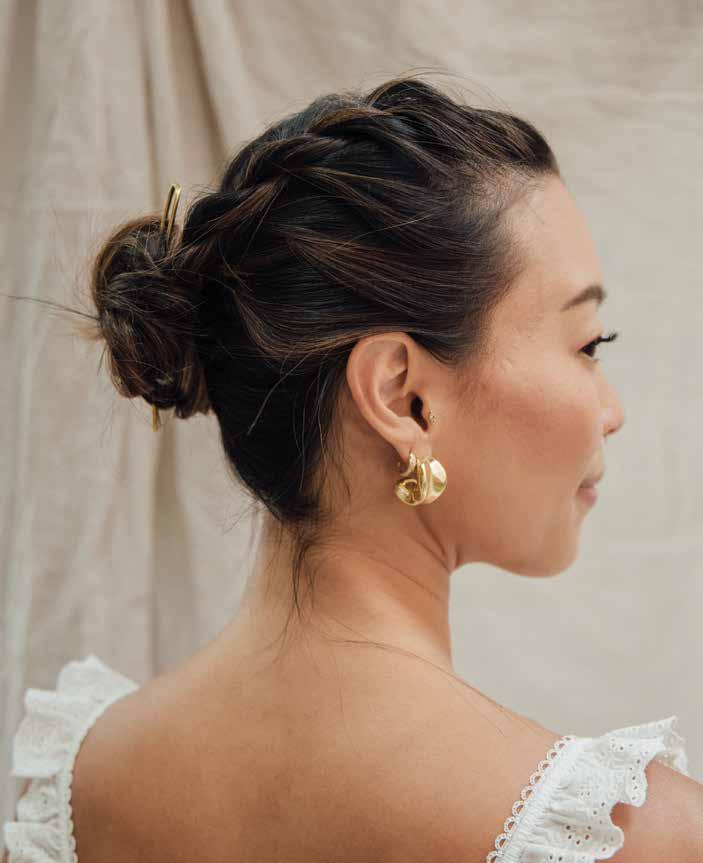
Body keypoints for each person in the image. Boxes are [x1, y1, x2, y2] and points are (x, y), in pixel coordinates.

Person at [3, 74, 701, 863]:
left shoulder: (75, 789)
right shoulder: (637, 839)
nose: (611, 410)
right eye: (586, 345)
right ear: (403, 397)